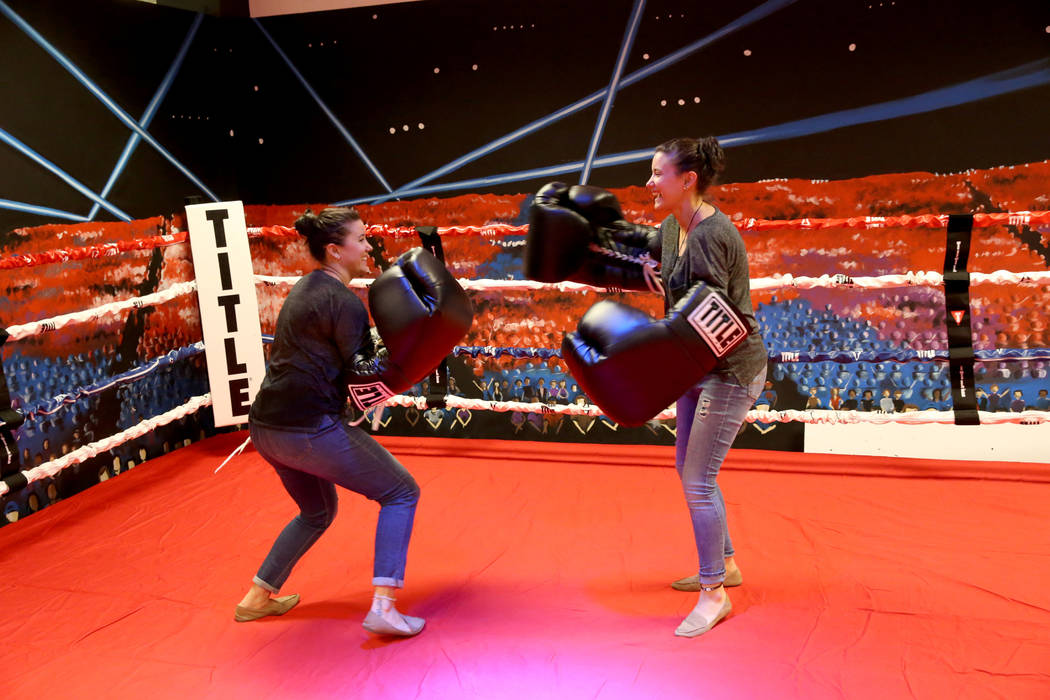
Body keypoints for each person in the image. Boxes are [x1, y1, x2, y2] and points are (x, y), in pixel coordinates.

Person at [235, 207, 470, 638]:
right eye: (360, 240)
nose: (367, 247)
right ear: (334, 250)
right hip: (307, 429)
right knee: (401, 491)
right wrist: (413, 355)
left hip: (266, 427)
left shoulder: (306, 287)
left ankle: (256, 598)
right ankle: (383, 607)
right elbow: (362, 374)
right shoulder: (341, 300)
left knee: (317, 511)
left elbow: (341, 360)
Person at [644, 137, 768, 637]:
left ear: (687, 179)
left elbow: (720, 319)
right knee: (687, 469)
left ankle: (714, 592)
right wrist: (645, 270)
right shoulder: (675, 227)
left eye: (658, 173)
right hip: (696, 367)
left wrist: (654, 351)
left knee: (698, 478)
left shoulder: (711, 235)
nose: (650, 182)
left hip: (729, 369)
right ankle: (728, 563)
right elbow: (672, 281)